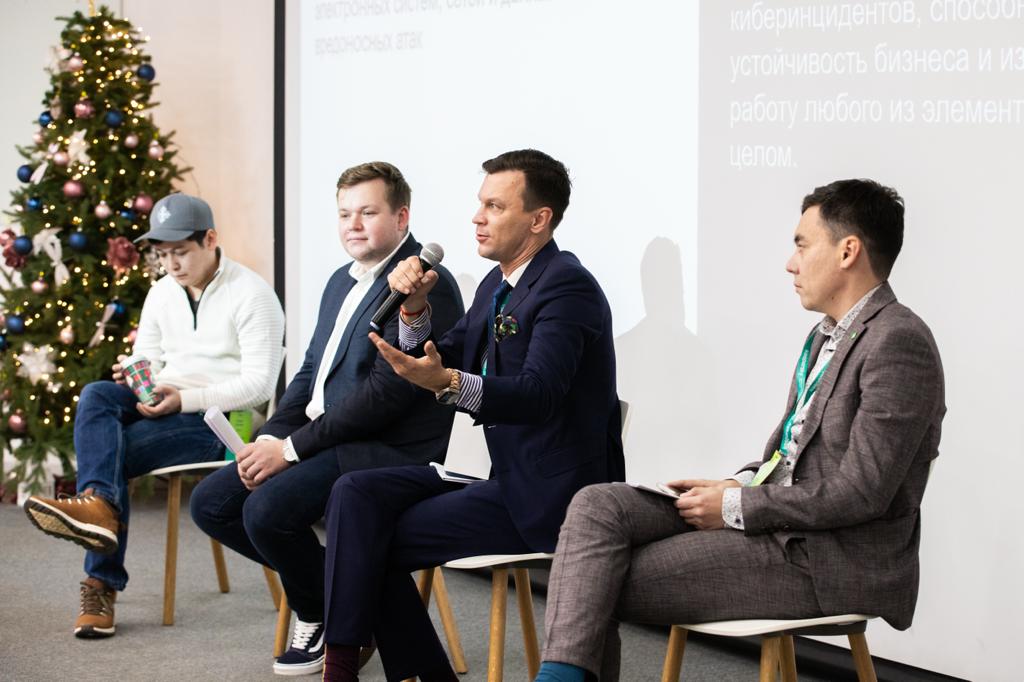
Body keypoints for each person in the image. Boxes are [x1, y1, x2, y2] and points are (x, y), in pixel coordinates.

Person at [533, 179, 946, 682]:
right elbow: (790, 458)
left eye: (802, 245)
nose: (791, 263)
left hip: (826, 558)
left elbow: (862, 493)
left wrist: (736, 507)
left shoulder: (898, 341)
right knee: (599, 505)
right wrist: (737, 483)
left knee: (592, 578)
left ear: (847, 251)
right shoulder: (826, 336)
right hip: (776, 522)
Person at [317, 149, 625, 682]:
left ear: (538, 219)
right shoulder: (495, 284)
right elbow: (444, 353)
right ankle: (342, 663)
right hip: (500, 478)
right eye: (480, 204)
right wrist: (413, 309)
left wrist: (449, 384)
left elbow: (538, 395)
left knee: (369, 542)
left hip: (552, 498)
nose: (477, 218)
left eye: (494, 206)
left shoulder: (566, 286)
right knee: (355, 493)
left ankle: (367, 671)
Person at [189, 161, 463, 676]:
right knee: (212, 504)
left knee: (265, 513)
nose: (353, 225)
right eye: (344, 214)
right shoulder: (342, 280)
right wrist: (272, 435)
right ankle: (343, 601)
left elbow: (385, 398)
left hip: (386, 448)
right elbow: (311, 372)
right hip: (326, 436)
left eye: (367, 213)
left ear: (402, 217)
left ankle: (318, 613)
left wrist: (290, 450)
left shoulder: (427, 284)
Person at [23, 192, 285, 639]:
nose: (171, 264)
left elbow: (259, 386)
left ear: (210, 239)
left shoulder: (253, 294)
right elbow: (148, 356)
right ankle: (99, 508)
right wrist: (139, 377)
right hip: (165, 401)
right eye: (162, 255)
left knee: (111, 455)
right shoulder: (162, 292)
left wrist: (183, 399)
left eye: (180, 252)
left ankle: (100, 577)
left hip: (221, 421)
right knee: (97, 394)